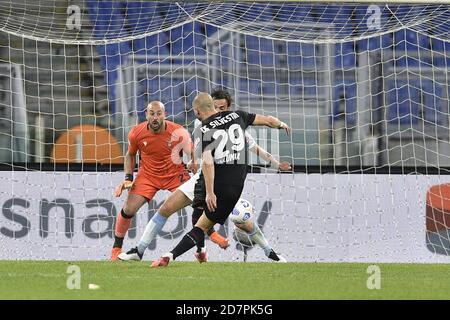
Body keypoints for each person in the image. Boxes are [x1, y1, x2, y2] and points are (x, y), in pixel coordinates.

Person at [118, 89, 290, 262]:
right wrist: (281, 124)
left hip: (218, 182)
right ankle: (140, 251)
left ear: (197, 111)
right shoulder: (239, 117)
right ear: (213, 106)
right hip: (215, 179)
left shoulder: (202, 129)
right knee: (167, 208)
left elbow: (208, 161)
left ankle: (269, 252)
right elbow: (268, 121)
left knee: (233, 219)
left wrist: (209, 191)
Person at [111, 101, 192, 261]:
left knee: (199, 200)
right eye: (151, 113)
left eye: (158, 113)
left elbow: (191, 151)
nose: (155, 117)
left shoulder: (179, 131)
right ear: (146, 114)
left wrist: (194, 161)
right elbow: (130, 155)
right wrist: (128, 178)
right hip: (148, 175)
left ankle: (202, 246)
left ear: (165, 114)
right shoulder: (136, 133)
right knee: (128, 209)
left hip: (175, 174)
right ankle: (116, 248)